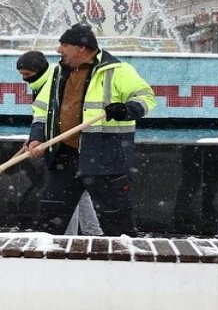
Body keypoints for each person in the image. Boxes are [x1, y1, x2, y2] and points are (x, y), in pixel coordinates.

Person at [24, 24, 156, 237]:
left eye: (64, 45)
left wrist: (126, 110)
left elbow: (146, 98)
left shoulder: (118, 71)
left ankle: (125, 264)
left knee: (118, 226)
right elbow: (41, 110)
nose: (58, 50)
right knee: (49, 222)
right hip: (64, 157)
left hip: (104, 158)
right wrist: (37, 137)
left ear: (81, 48)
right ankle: (47, 265)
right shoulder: (58, 72)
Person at [16, 50, 101, 236]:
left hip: (70, 146)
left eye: (28, 76)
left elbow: (62, 115)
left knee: (68, 192)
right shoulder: (43, 83)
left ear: (39, 70)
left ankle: (68, 238)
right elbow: (43, 116)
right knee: (78, 191)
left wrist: (39, 138)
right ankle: (92, 232)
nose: (25, 80)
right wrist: (35, 138)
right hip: (62, 147)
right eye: (22, 76)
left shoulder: (56, 80)